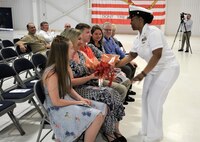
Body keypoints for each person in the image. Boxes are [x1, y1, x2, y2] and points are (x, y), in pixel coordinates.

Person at [116, 6, 180, 142]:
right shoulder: (138, 37)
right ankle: (146, 129)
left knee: (154, 100)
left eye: (132, 19)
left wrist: (143, 74)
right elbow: (131, 56)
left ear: (140, 19)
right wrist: (113, 64)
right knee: (145, 98)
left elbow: (157, 55)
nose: (130, 22)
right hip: (153, 69)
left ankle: (155, 135)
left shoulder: (153, 32)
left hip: (167, 68)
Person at [64, 28, 127, 142]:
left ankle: (115, 129)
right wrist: (90, 76)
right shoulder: (65, 58)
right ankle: (109, 133)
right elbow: (70, 83)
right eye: (78, 38)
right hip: (76, 89)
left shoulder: (81, 54)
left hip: (88, 83)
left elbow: (95, 66)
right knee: (107, 94)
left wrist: (106, 66)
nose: (81, 41)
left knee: (115, 93)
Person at [42, 35, 106, 142]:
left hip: (66, 100)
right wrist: (77, 103)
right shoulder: (52, 73)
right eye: (71, 48)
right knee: (98, 116)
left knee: (103, 107)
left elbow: (69, 88)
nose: (74, 50)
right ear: (63, 52)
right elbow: (56, 101)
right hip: (57, 108)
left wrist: (81, 99)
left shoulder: (64, 66)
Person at [76, 23, 131, 104]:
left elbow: (98, 63)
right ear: (79, 34)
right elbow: (92, 69)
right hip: (90, 81)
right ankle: (115, 109)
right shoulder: (80, 51)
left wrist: (107, 70)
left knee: (125, 81)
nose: (90, 35)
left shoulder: (88, 48)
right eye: (88, 32)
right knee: (122, 88)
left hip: (96, 77)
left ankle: (115, 108)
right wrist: (106, 73)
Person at [102, 22, 137, 103]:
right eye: (106, 30)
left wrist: (129, 60)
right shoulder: (103, 41)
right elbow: (109, 54)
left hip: (118, 59)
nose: (108, 31)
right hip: (113, 62)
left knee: (133, 66)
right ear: (103, 30)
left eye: (110, 30)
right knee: (127, 69)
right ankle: (124, 94)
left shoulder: (111, 40)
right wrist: (122, 59)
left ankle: (128, 88)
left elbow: (119, 50)